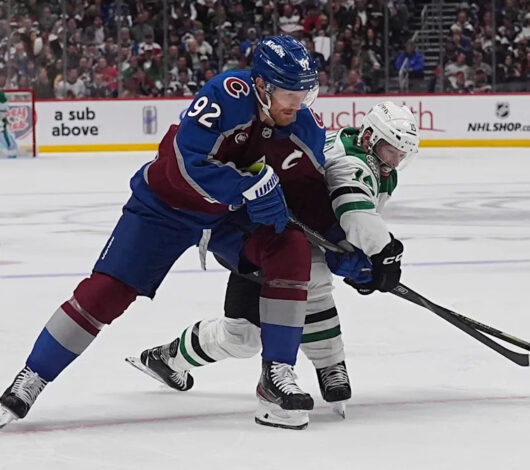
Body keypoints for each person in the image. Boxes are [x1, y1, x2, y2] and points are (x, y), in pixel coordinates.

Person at [0, 35, 323, 429]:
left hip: (227, 219)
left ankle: (276, 379)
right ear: (261, 86)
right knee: (106, 292)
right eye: (292, 92)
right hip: (164, 207)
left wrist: (357, 255)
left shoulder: (304, 127)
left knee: (292, 246)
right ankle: (32, 376)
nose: (300, 102)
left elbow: (314, 202)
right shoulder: (225, 95)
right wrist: (247, 186)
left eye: (306, 91)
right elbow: (187, 164)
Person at [127, 101, 420, 430]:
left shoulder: (367, 159)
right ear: (368, 137)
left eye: (400, 154)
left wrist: (354, 254)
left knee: (253, 328)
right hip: (260, 238)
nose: (394, 160)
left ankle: (169, 359)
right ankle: (328, 364)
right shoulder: (352, 162)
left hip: (291, 239)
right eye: (389, 149)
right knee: (291, 294)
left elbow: (341, 216)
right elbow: (354, 211)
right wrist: (382, 253)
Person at [0, 91, 19, 159]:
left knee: (4, 135)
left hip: (1, 121)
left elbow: (4, 107)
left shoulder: (1, 95)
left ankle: (12, 151)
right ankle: (12, 150)